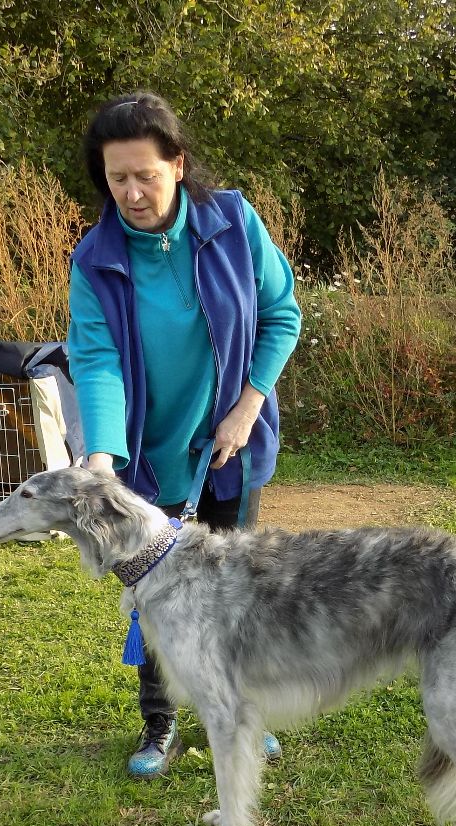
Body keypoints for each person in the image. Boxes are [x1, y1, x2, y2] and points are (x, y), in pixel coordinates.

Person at [67, 91, 302, 779]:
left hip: (229, 447)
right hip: (146, 460)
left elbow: (280, 315)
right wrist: (104, 454)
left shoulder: (231, 219)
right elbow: (96, 357)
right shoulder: (96, 258)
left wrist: (247, 406)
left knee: (236, 591)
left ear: (177, 163)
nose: (133, 193)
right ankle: (160, 721)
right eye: (117, 178)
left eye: (145, 173)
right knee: (156, 600)